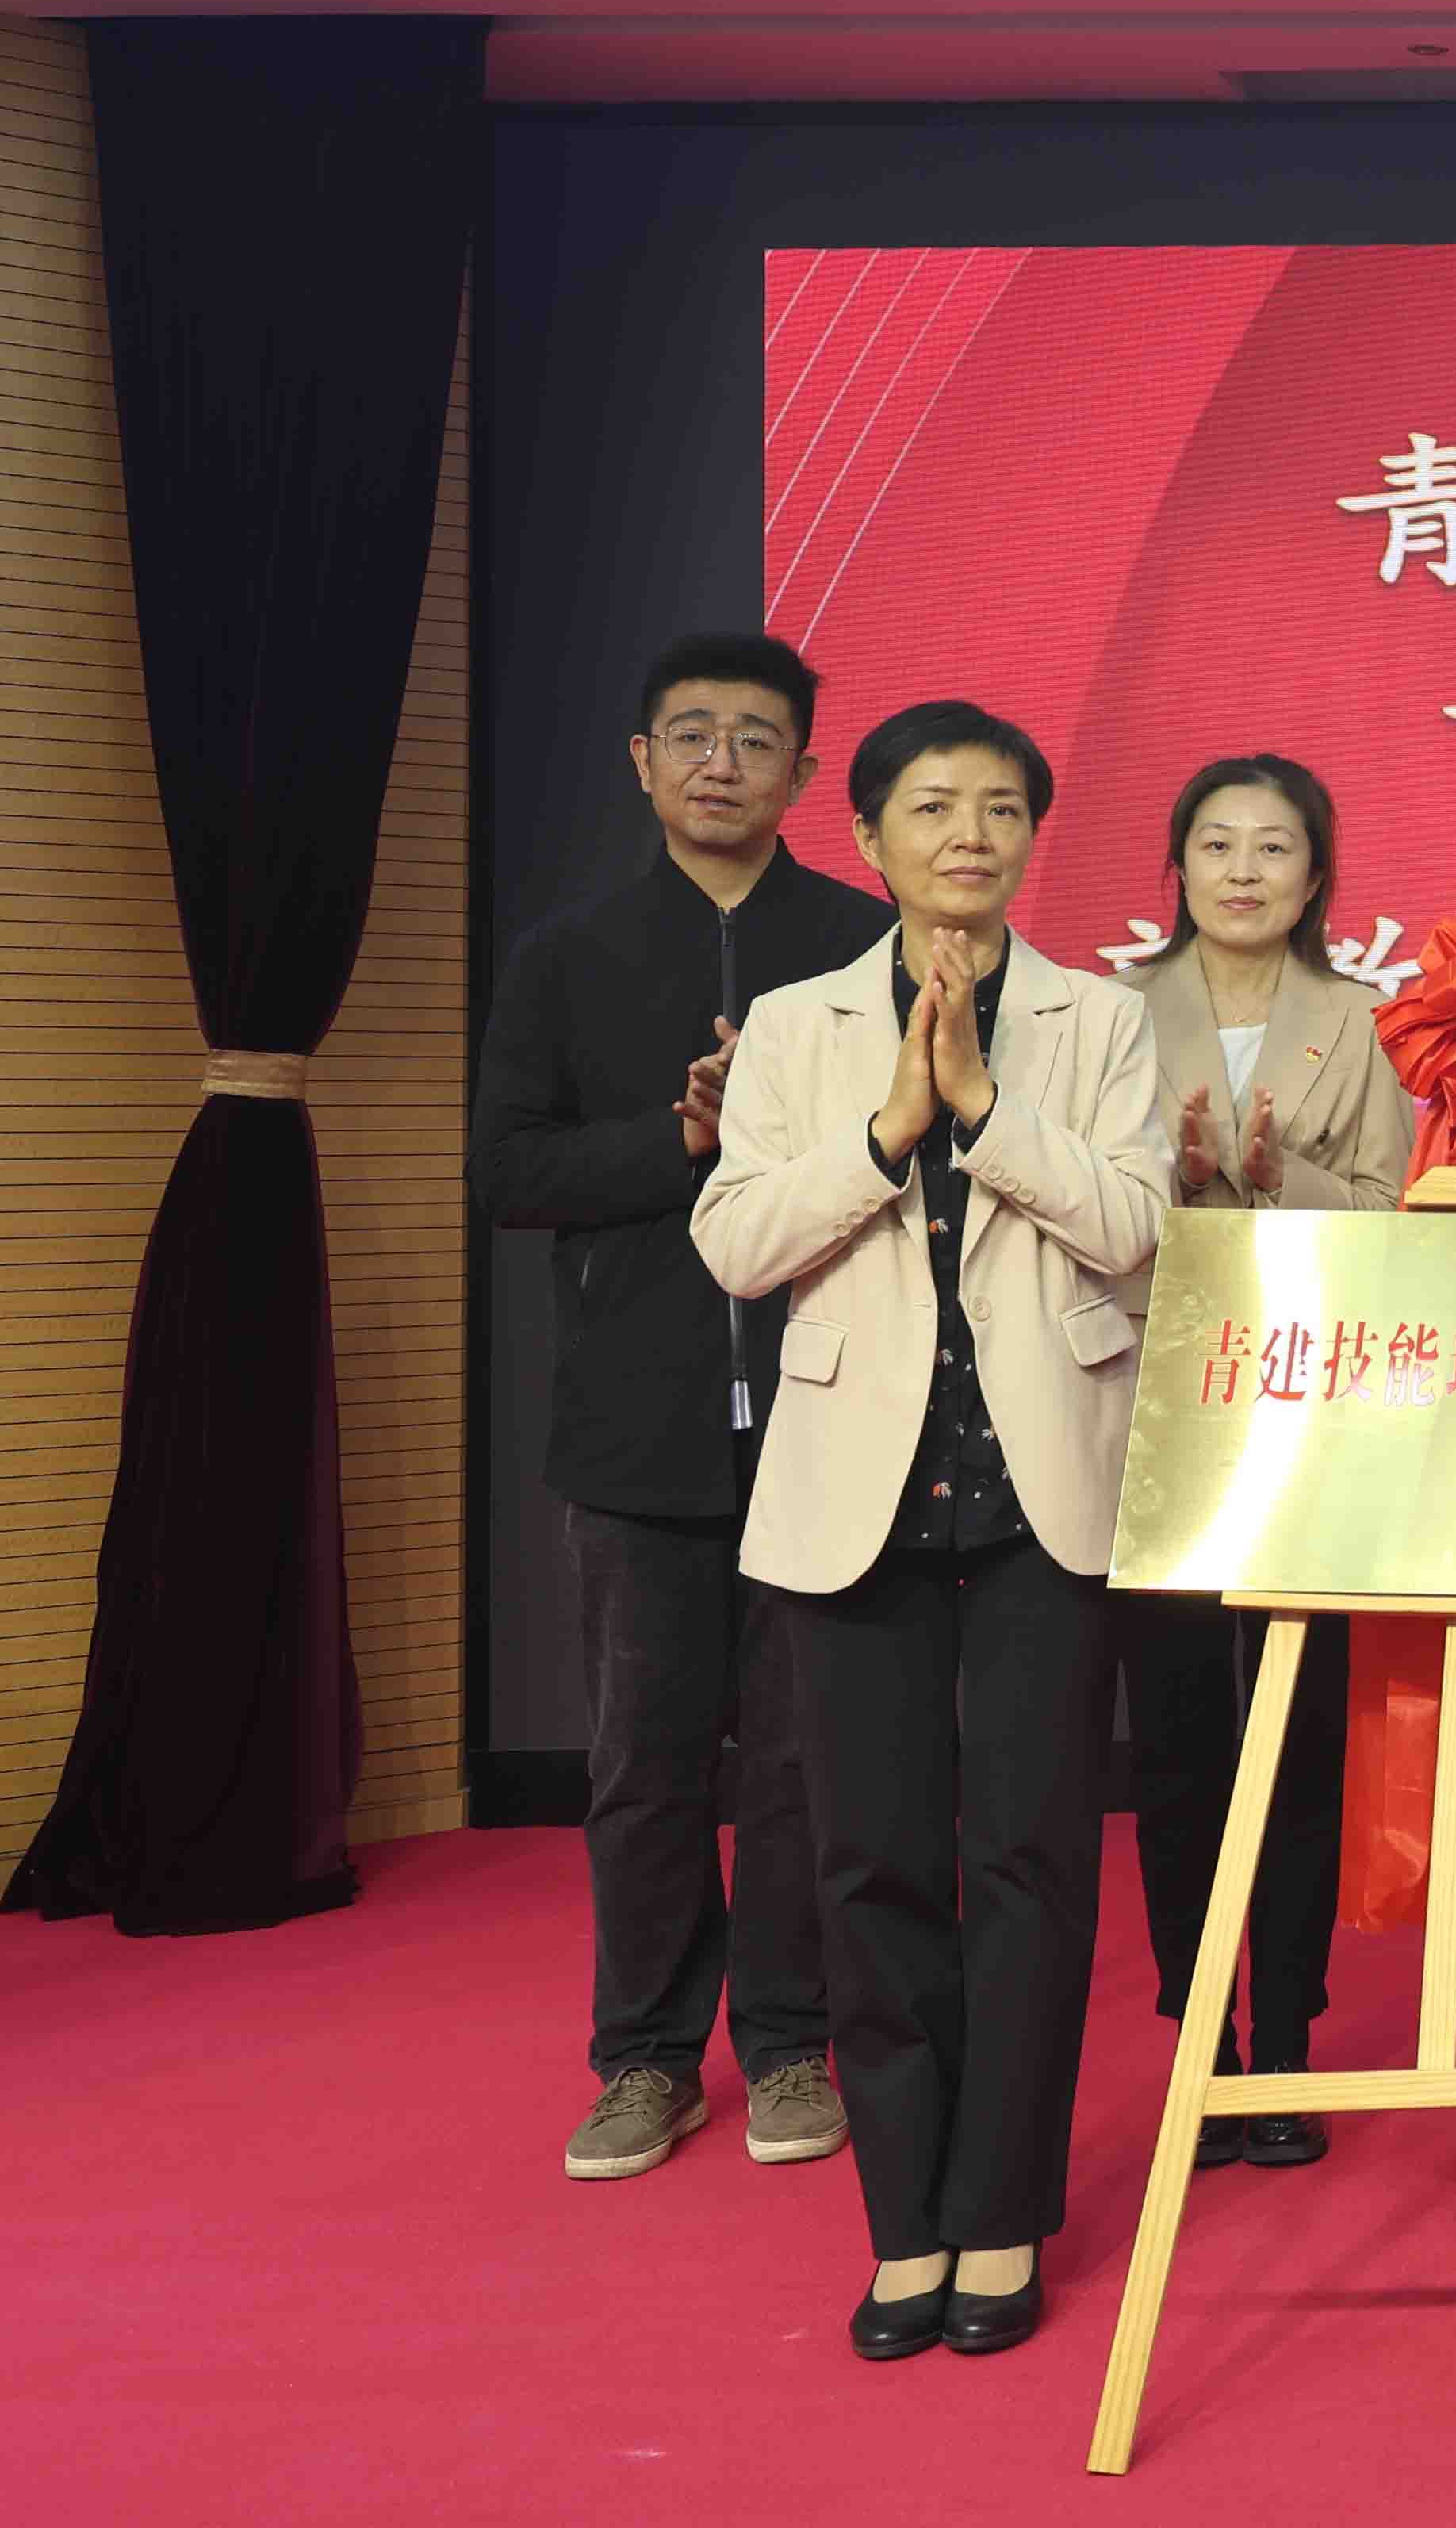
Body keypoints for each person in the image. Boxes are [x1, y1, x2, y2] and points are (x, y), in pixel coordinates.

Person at [695, 703, 1167, 2360]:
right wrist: (892, 1127)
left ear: (1034, 833)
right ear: (869, 835)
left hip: (1045, 1494)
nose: (969, 835)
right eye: (932, 807)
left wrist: (986, 1106)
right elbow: (738, 1242)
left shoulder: (1100, 1017)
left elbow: (1138, 1231)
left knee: (1032, 1863)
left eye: (1000, 809)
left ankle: (1002, 2206)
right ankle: (908, 2219)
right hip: (858, 1497)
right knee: (872, 1862)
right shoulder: (796, 1022)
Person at [476, 632, 889, 2185]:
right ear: (642, 762)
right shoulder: (568, 956)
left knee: (799, 1760)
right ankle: (646, 2056)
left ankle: (788, 2041)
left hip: (823, 1414)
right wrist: (682, 1142)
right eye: (694, 734)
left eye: (757, 738)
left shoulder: (863, 947)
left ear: (804, 773)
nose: (724, 761)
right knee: (643, 1764)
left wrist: (780, 1153)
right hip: (635, 1428)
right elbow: (508, 1173)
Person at [1119, 756, 1413, 2169]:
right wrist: (1174, 1187)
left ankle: (1287, 2035)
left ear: (1316, 878)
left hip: (1311, 1413)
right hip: (1155, 1411)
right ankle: (1200, 2038)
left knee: (1299, 1734)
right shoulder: (1108, 1014)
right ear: (1176, 867)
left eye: (1274, 848)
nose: (1243, 872)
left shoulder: (1360, 1022)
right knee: (1177, 1741)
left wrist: (1274, 1175)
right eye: (1217, 844)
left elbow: (1395, 1214)